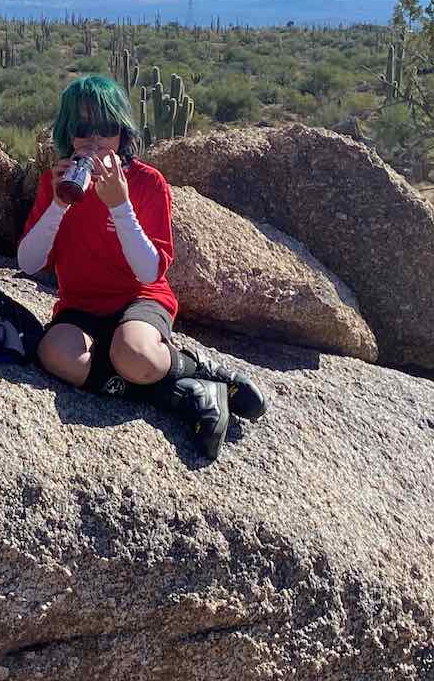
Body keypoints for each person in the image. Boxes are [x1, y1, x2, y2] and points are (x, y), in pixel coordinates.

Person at [17, 75, 265, 458]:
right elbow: (28, 262)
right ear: (69, 134)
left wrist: (120, 204)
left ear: (122, 133)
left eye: (106, 130)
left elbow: (150, 272)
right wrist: (58, 204)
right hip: (81, 307)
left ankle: (190, 365)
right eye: (83, 131)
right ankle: (184, 390)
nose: (95, 142)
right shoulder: (57, 185)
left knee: (135, 355)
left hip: (139, 299)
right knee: (55, 353)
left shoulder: (147, 183)